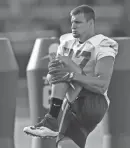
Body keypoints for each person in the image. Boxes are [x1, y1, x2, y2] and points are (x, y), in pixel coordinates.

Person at [23, 5, 118, 148]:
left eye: (78, 22)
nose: (73, 26)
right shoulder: (66, 42)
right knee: (65, 144)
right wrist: (54, 76)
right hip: (72, 100)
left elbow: (102, 84)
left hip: (92, 102)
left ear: (91, 23)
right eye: (72, 22)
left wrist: (71, 74)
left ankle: (51, 120)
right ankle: (51, 121)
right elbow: (56, 76)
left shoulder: (103, 46)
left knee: (65, 65)